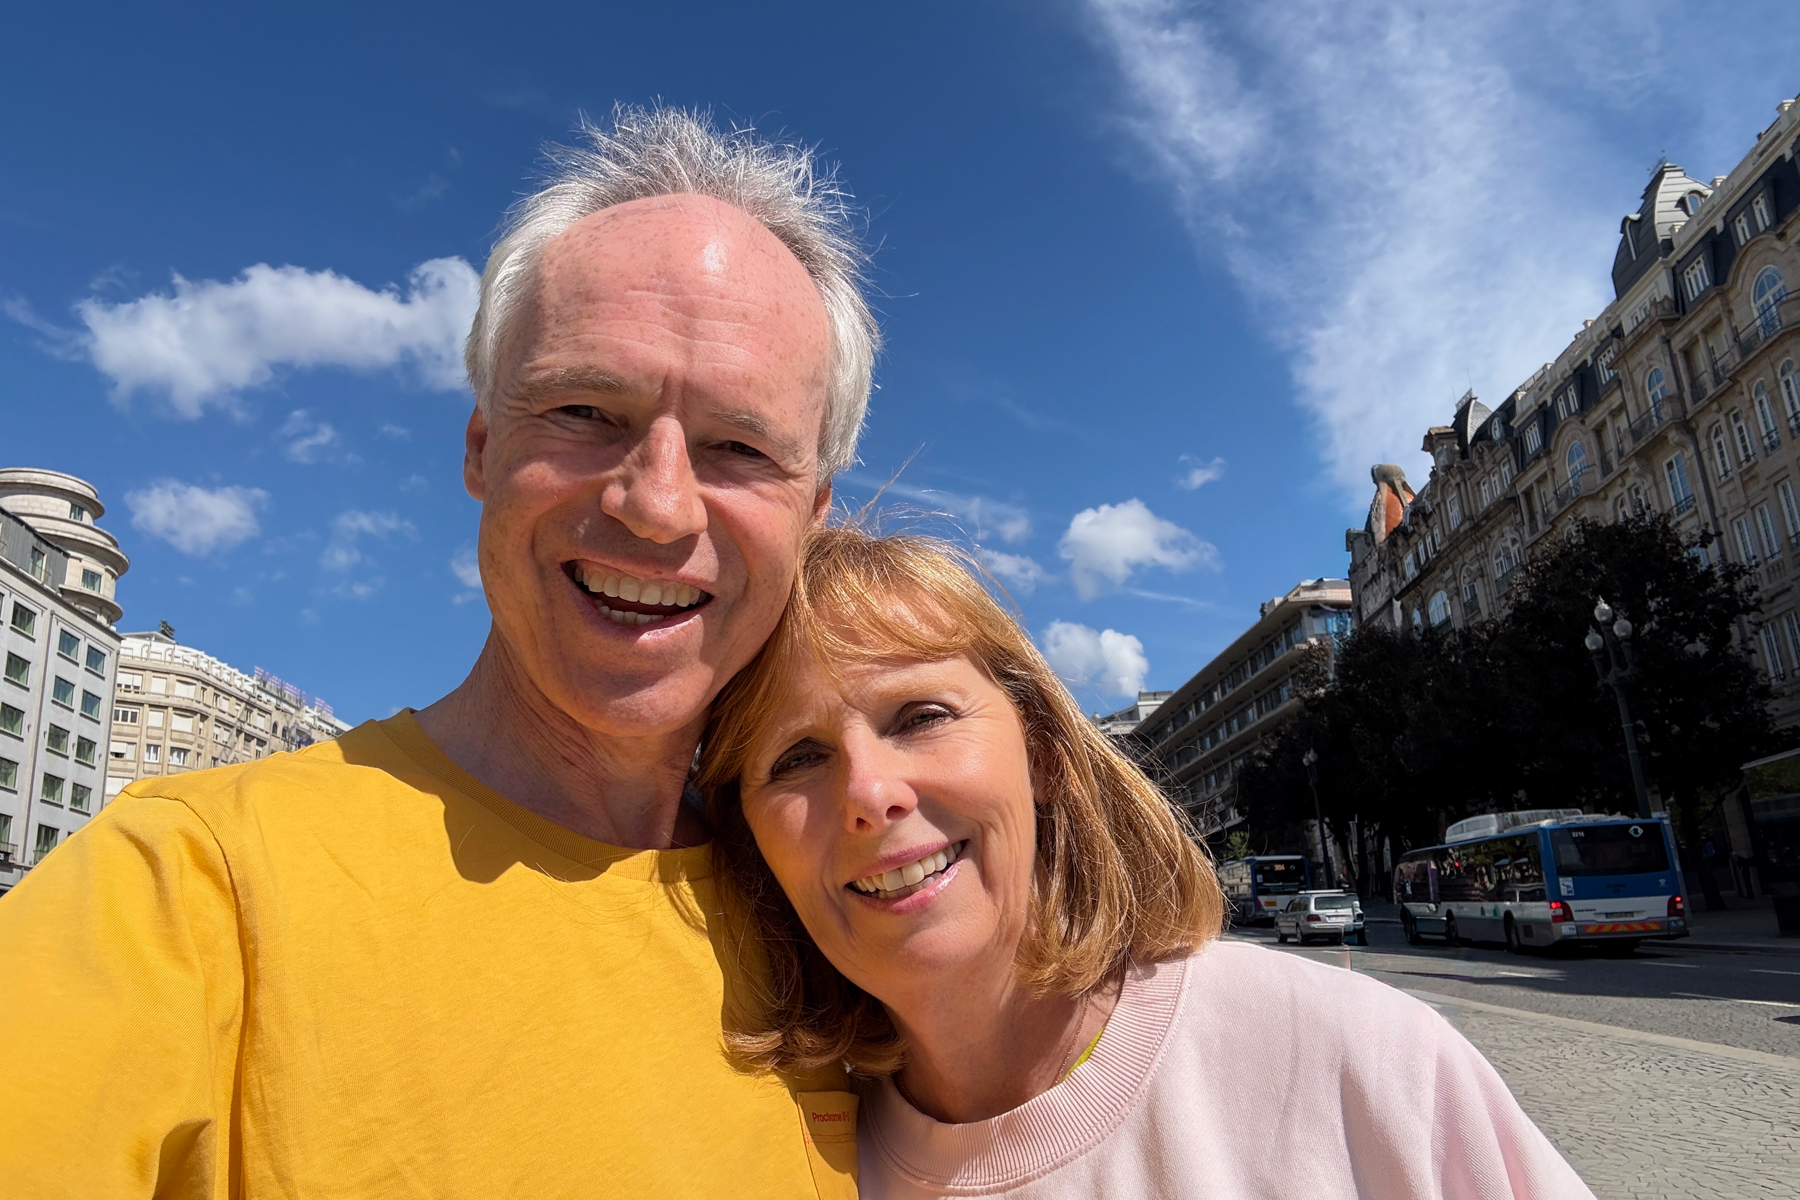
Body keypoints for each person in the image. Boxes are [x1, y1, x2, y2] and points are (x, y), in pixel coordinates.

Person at [0, 107, 879, 1197]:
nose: (657, 504)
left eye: (740, 446)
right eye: (584, 410)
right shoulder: (183, 890)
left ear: (814, 515)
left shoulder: (850, 929)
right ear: (480, 448)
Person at [696, 525, 1596, 1198]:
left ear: (1044, 750)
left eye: (921, 717)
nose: (869, 792)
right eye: (795, 759)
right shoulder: (799, 1165)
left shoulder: (1355, 1057)